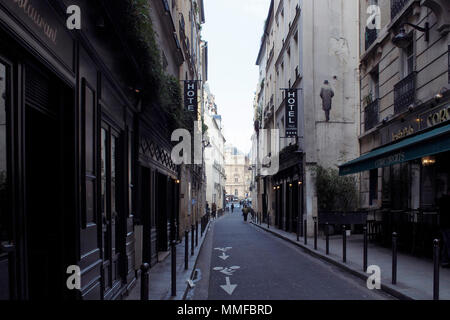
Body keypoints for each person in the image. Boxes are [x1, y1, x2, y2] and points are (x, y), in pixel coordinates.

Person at [438, 191, 450, 267]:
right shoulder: (447, 201)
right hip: (448, 224)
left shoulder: (442, 200)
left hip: (443, 224)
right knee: (448, 242)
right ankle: (445, 260)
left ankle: (444, 260)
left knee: (446, 242)